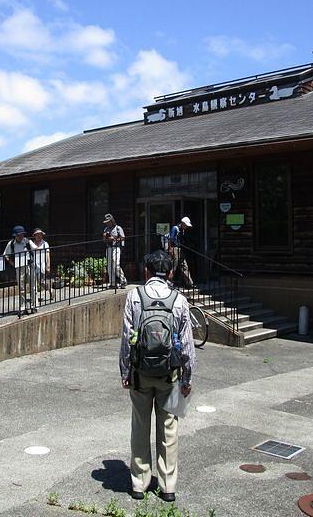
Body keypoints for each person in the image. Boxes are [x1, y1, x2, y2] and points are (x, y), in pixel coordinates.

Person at [119, 250, 195, 503]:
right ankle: (167, 486)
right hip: (171, 375)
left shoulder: (134, 296)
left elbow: (127, 338)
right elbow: (187, 345)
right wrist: (187, 379)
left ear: (146, 271)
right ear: (171, 272)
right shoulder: (179, 300)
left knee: (140, 425)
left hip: (140, 373)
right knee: (169, 429)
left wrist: (125, 371)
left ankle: (139, 483)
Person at [4, 225, 37, 317]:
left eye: (22, 234)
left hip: (29, 265)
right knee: (21, 287)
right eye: (19, 234)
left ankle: (34, 306)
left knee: (32, 286)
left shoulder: (27, 241)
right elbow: (6, 255)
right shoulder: (11, 244)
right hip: (19, 266)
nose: (21, 236)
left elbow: (36, 249)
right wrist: (12, 263)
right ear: (15, 235)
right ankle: (23, 307)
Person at [167, 217, 194, 288]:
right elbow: (171, 239)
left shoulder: (182, 230)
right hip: (174, 248)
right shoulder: (175, 228)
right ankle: (169, 282)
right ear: (182, 223)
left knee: (184, 266)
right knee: (173, 266)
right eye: (186, 225)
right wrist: (170, 249)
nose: (186, 227)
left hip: (180, 249)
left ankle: (189, 283)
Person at [103, 214, 127, 289]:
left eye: (108, 221)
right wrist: (105, 237)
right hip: (109, 248)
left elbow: (123, 237)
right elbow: (104, 240)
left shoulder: (118, 228)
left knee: (116, 264)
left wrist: (114, 239)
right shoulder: (106, 229)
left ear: (112, 221)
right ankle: (112, 284)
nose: (107, 223)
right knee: (110, 266)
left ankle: (123, 280)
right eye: (106, 222)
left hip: (116, 247)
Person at [31, 228, 53, 302]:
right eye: (37, 234)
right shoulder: (32, 244)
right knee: (34, 282)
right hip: (34, 264)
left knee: (41, 281)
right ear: (35, 236)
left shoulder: (45, 243)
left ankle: (50, 290)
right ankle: (34, 298)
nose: (39, 236)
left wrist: (48, 265)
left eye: (40, 234)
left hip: (42, 264)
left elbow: (47, 255)